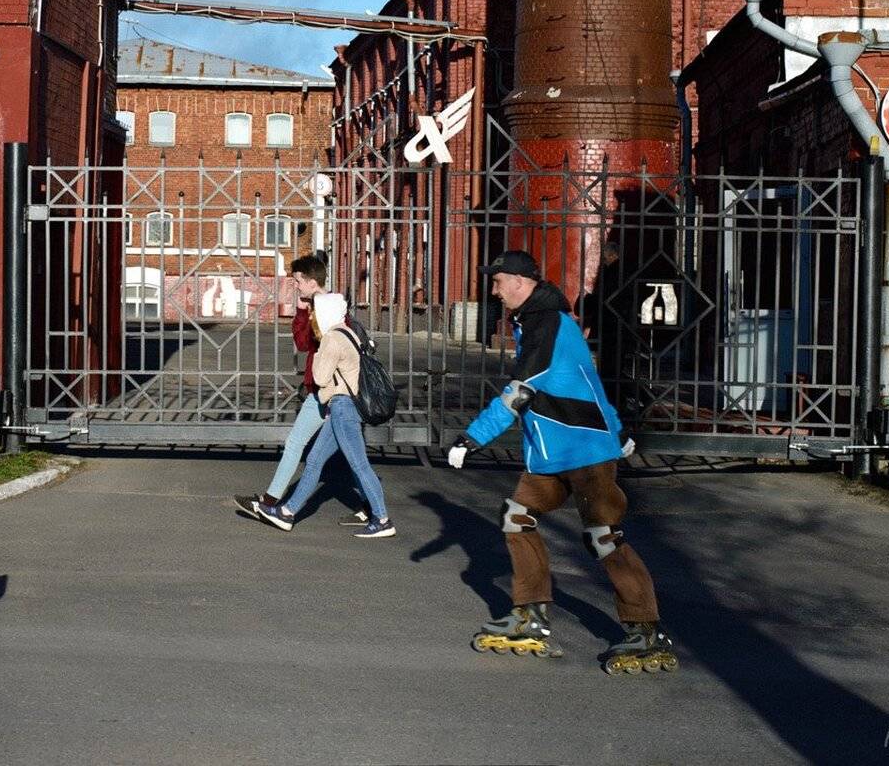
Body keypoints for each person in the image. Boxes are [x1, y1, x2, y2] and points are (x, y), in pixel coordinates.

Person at [448, 252, 674, 673]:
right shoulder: (535, 321)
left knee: (604, 536)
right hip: (551, 453)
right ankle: (531, 614)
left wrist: (471, 437)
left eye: (498, 283)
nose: (494, 292)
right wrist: (620, 430)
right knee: (516, 517)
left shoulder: (547, 323)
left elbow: (520, 392)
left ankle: (645, 629)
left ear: (519, 281)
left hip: (584, 453)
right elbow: (587, 380)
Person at [234, 254, 366, 526]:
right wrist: (304, 311)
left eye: (297, 281)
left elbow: (317, 345)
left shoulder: (333, 309)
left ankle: (375, 509)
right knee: (330, 450)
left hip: (332, 394)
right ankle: (271, 502)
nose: (295, 286)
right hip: (320, 391)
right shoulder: (315, 307)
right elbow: (303, 342)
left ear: (311, 281)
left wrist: (308, 313)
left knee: (349, 455)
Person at [252, 292, 396, 539]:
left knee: (359, 464)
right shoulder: (348, 333)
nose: (313, 317)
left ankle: (382, 519)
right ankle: (287, 512)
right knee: (316, 460)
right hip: (342, 407)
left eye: (316, 312)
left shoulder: (330, 339)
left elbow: (319, 377)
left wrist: (318, 352)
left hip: (343, 409)